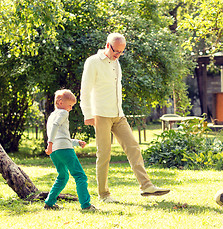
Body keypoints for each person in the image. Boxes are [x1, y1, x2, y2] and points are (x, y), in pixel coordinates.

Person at [80, 33, 170, 203]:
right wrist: (88, 114)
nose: (118, 54)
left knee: (133, 147)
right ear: (108, 45)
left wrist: (120, 111)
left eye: (121, 52)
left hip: (118, 114)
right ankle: (103, 194)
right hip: (101, 114)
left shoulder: (117, 63)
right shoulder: (93, 62)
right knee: (104, 154)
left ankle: (146, 186)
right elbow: (85, 90)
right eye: (116, 51)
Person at [45, 89, 97, 211]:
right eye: (70, 105)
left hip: (55, 151)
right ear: (60, 102)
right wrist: (50, 143)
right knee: (80, 176)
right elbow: (56, 127)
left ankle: (49, 202)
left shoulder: (52, 116)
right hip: (63, 149)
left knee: (62, 176)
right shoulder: (63, 113)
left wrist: (76, 142)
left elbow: (60, 135)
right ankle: (86, 205)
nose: (71, 108)